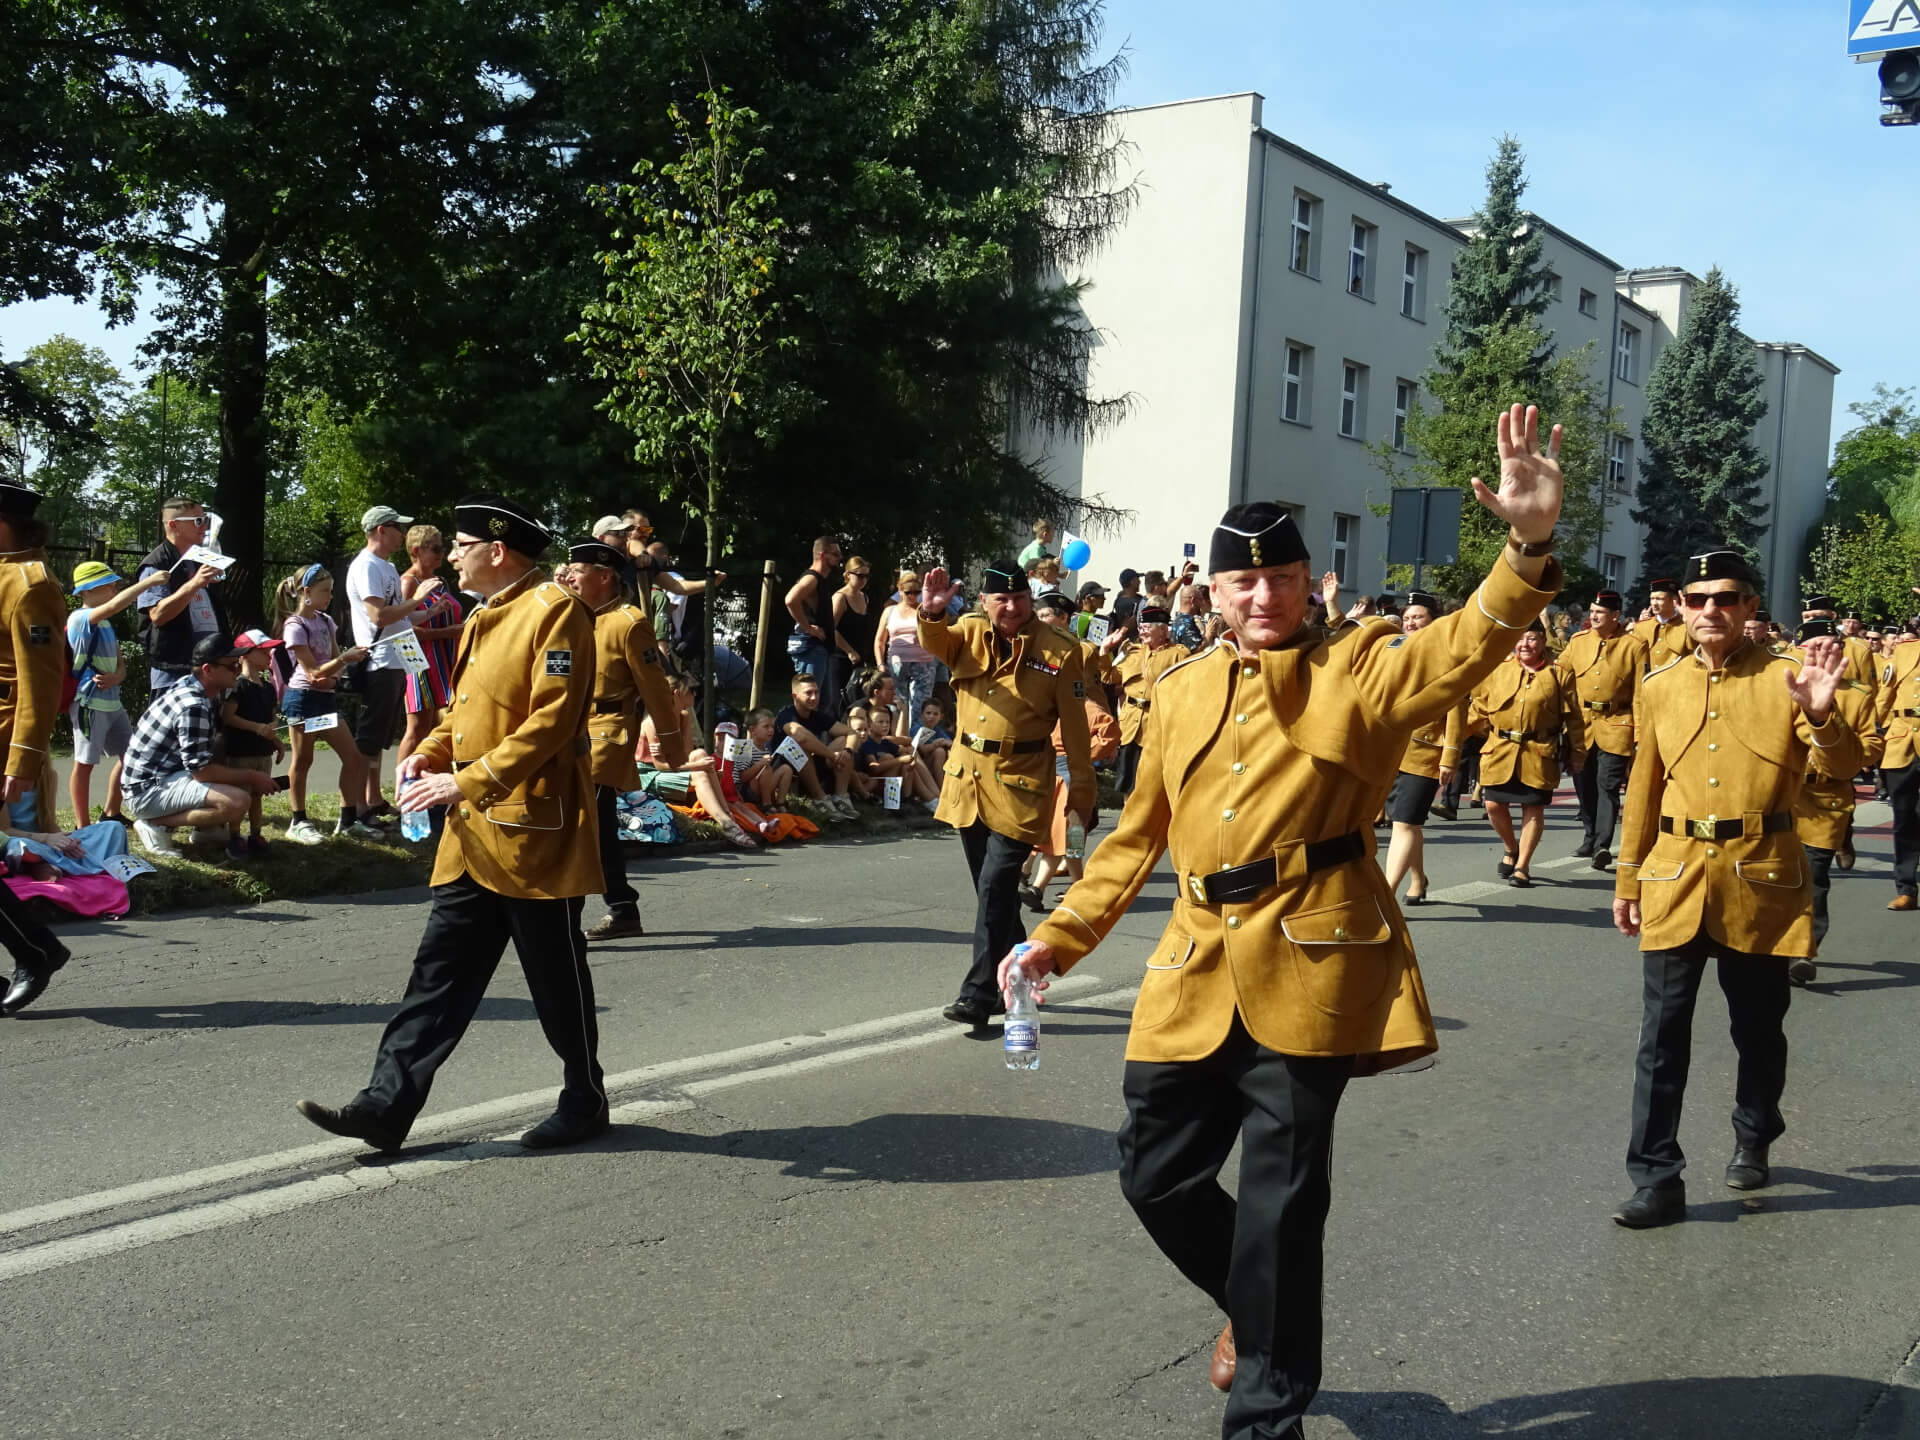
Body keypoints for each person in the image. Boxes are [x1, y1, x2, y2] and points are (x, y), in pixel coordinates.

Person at [998, 405, 1566, 1440]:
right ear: (1211, 592)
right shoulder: (1178, 690)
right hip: (1193, 965)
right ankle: (1250, 1310)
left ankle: (1266, 1416)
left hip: (1313, 957)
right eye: (1241, 581)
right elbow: (1135, 837)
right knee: (1154, 1172)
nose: (1262, 597)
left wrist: (1525, 546)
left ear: (1310, 583)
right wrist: (1058, 937)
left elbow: (1463, 647)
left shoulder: (1364, 669)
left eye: (1281, 577)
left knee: (1280, 1208)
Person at [297, 493, 609, 1153]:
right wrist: (427, 753)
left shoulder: (556, 614)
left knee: (555, 977)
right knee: (436, 974)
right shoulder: (483, 615)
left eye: (462, 548)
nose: (450, 560)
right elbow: (461, 712)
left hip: (532, 833)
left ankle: (585, 1098)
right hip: (471, 835)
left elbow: (550, 723)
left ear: (496, 551)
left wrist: (463, 779)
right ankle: (384, 1107)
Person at [1609, 549, 1857, 1229]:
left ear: (1750, 606)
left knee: (1757, 1028)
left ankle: (1755, 1132)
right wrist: (1628, 878)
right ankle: (1656, 1176)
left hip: (1760, 877)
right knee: (1660, 1038)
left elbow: (1842, 770)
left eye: (1726, 598)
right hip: (1675, 876)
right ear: (1682, 610)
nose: (1710, 610)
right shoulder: (1660, 683)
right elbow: (1642, 788)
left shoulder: (1788, 679)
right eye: (1697, 599)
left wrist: (1824, 716)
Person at [916, 561, 1094, 1026]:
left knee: (996, 885)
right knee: (991, 892)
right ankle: (1017, 973)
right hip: (968, 778)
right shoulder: (968, 632)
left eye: (1019, 599)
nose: (1012, 607)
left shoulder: (1059, 650)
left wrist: (1082, 796)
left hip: (1022, 783)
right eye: (1002, 599)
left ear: (1030, 601)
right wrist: (931, 613)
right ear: (984, 602)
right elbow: (935, 642)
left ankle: (979, 993)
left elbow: (1076, 729)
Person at [558, 538, 687, 942]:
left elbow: (657, 692)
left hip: (606, 736)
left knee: (585, 827)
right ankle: (622, 908)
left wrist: (672, 745)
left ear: (604, 576)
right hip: (569, 730)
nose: (570, 576)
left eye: (578, 571)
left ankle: (570, 918)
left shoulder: (629, 623)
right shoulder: (570, 614)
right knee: (594, 829)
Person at [0, 481, 74, 1015]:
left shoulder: (31, 584)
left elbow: (42, 680)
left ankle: (36, 950)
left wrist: (25, 758)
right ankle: (35, 949)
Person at [121, 633, 279, 858]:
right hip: (146, 791)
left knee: (220, 750)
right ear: (208, 670)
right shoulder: (194, 705)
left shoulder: (199, 690)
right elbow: (201, 771)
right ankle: (155, 825)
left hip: (158, 779)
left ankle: (206, 829)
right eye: (231, 666)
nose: (237, 670)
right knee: (237, 801)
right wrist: (254, 777)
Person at [1787, 619, 1881, 984]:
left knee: (1813, 876)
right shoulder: (1781, 685)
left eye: (1833, 645)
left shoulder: (1857, 696)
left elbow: (1872, 746)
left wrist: (1843, 749)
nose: (1827, 652)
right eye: (1817, 646)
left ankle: (1803, 950)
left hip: (1827, 797)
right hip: (1783, 792)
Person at [347, 504, 442, 830]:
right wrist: (419, 599)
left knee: (379, 740)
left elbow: (397, 617)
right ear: (381, 530)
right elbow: (379, 617)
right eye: (397, 528)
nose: (403, 534)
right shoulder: (366, 567)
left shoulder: (384, 566)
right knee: (368, 740)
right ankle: (356, 810)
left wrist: (428, 610)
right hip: (379, 661)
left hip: (396, 659)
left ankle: (369, 803)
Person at [1469, 620, 1583, 888]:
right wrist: (1448, 741)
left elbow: (1575, 718)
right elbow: (1479, 710)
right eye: (1519, 639)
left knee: (1533, 807)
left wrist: (1578, 753)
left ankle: (1522, 866)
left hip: (1539, 752)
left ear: (1543, 642)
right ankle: (1511, 847)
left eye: (1531, 638)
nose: (1524, 644)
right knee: (1493, 805)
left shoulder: (1560, 673)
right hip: (1500, 750)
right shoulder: (1498, 670)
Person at [273, 564, 373, 843]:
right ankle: (298, 821)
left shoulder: (326, 621)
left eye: (331, 591)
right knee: (303, 759)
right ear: (306, 592)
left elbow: (332, 661)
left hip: (324, 700)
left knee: (352, 757)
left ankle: (348, 819)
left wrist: (335, 676)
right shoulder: (295, 625)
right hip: (304, 700)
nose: (330, 597)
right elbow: (312, 672)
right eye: (324, 591)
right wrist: (339, 665)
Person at [1379, 591, 1464, 906]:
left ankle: (1386, 894)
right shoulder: (1394, 650)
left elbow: (1456, 709)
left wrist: (1450, 756)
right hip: (1392, 750)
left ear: (1433, 622)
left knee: (1405, 822)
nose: (1410, 623)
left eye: (1418, 617)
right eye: (1407, 618)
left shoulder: (1446, 656)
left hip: (1427, 752)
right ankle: (1418, 878)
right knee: (1404, 821)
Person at [1559, 590, 1649, 870]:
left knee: (1607, 785)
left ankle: (1603, 845)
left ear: (1615, 616)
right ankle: (1589, 836)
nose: (1592, 616)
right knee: (1583, 783)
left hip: (1617, 723)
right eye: (1591, 611)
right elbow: (1559, 675)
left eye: (1599, 612)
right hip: (1582, 724)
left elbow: (1640, 693)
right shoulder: (1578, 641)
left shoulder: (1634, 645)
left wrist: (1639, 734)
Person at [66, 561, 152, 826]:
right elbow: (114, 606)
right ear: (87, 590)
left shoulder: (105, 624)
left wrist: (117, 676)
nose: (114, 589)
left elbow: (120, 664)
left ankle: (111, 811)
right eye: (108, 584)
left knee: (133, 755)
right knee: (85, 763)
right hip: (89, 703)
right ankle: (83, 826)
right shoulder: (81, 618)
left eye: (114, 584)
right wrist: (148, 583)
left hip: (113, 703)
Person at [135, 495, 229, 695]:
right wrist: (195, 582)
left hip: (206, 669)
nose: (204, 526)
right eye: (197, 521)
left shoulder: (197, 559)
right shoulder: (156, 563)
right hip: (174, 672)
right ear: (174, 525)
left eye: (205, 519)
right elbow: (158, 615)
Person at [398, 524, 466, 772]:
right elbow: (401, 631)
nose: (441, 553)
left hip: (445, 659)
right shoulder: (408, 583)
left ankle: (427, 778)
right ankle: (404, 787)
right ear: (416, 550)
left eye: (442, 547)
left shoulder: (439, 581)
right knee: (416, 728)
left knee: (437, 726)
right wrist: (447, 632)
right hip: (418, 659)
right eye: (435, 548)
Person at [218, 631, 290, 858]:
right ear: (246, 654)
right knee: (241, 794)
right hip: (240, 752)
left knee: (259, 794)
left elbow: (270, 718)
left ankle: (255, 834)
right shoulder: (238, 686)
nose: (270, 654)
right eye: (263, 650)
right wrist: (257, 728)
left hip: (262, 752)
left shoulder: (267, 687)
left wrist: (277, 740)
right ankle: (235, 836)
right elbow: (228, 717)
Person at [1112, 604, 1191, 799]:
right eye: (1141, 627)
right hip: (1130, 725)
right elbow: (1108, 677)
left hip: (1156, 724)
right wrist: (1106, 651)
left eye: (1148, 627)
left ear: (1163, 629)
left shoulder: (1179, 655)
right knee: (1126, 781)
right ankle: (1127, 823)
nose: (1142, 631)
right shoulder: (1132, 651)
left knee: (1150, 783)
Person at [1876, 622, 1920, 912]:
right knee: (1904, 818)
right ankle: (1906, 889)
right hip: (1901, 741)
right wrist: (1871, 733)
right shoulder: (1904, 653)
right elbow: (1884, 695)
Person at [775, 674, 858, 819]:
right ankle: (820, 798)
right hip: (785, 768)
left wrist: (847, 751)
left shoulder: (818, 715)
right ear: (795, 696)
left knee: (844, 741)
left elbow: (851, 733)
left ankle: (841, 797)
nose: (814, 697)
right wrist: (831, 755)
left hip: (811, 765)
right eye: (808, 693)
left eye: (816, 692)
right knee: (799, 744)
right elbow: (800, 736)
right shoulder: (785, 714)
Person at [785, 536, 848, 718]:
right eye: (835, 554)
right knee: (809, 701)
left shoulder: (820, 580)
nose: (839, 559)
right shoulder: (812, 578)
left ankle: (817, 743)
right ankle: (800, 743)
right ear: (822, 555)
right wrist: (808, 627)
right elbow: (790, 599)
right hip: (811, 649)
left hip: (820, 649)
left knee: (823, 703)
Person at [877, 568, 943, 726]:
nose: (913, 596)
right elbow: (879, 640)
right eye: (908, 592)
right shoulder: (889, 611)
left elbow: (937, 634)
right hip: (897, 664)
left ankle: (919, 744)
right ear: (899, 590)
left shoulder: (924, 610)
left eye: (917, 592)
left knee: (920, 706)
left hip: (923, 663)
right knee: (900, 705)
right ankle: (900, 742)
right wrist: (880, 664)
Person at [833, 555, 880, 708]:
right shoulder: (840, 598)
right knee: (840, 699)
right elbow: (830, 629)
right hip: (840, 657)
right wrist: (849, 651)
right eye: (859, 575)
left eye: (866, 576)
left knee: (858, 699)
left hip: (860, 658)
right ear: (848, 575)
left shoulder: (864, 598)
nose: (863, 580)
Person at [1632, 577, 1687, 671]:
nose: (1654, 603)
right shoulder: (1641, 627)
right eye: (1652, 598)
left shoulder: (1686, 626)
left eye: (1659, 599)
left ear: (1674, 600)